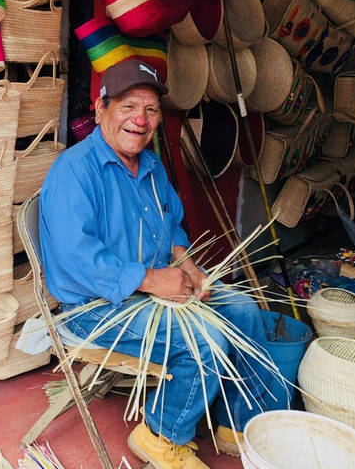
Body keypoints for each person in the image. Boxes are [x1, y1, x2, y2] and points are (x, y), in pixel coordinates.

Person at [39, 60, 272, 469]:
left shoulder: (150, 166)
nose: (140, 120)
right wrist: (151, 279)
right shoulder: (73, 171)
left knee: (245, 312)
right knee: (205, 342)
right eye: (128, 106)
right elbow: (77, 258)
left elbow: (173, 225)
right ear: (100, 109)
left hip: (153, 288)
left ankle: (235, 423)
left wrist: (190, 265)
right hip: (95, 307)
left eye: (149, 110)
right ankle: (160, 434)